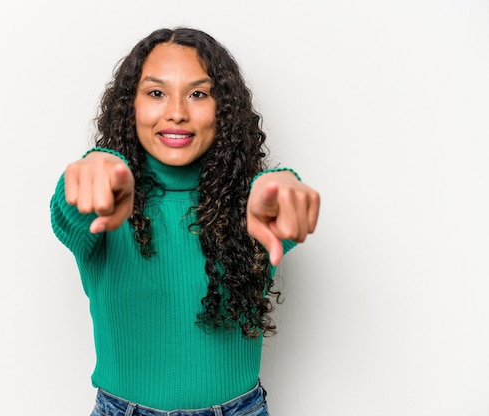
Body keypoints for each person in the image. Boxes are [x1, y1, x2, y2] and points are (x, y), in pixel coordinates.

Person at [50, 27, 320, 416]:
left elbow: (283, 212)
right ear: (131, 106)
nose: (176, 111)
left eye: (198, 93)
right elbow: (69, 214)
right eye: (156, 93)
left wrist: (282, 189)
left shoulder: (252, 204)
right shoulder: (106, 200)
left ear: (223, 108)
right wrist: (92, 170)